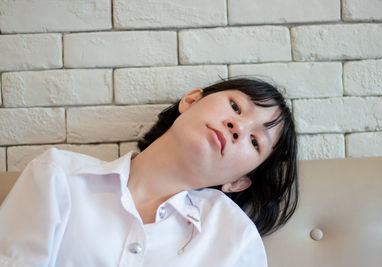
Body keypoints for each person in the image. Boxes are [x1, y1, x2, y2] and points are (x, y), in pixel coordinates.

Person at [0, 77, 298, 267]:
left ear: (238, 181)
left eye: (255, 141)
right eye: (235, 106)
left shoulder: (235, 238)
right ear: (191, 100)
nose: (238, 127)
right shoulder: (57, 176)